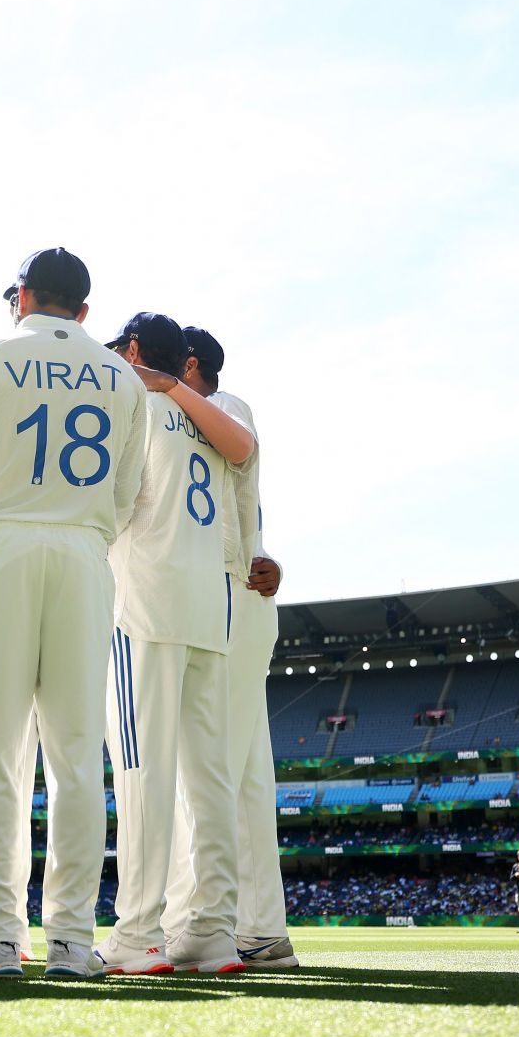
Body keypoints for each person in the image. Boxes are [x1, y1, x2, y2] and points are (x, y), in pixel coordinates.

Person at [0, 247, 148, 979]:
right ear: (85, 311)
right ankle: (75, 944)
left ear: (22, 296)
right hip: (83, 553)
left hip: (6, 545)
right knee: (78, 757)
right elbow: (127, 492)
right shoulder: (120, 375)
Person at [96, 312, 253, 975]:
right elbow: (243, 450)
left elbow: (111, 503)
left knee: (142, 775)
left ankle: (137, 934)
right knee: (208, 778)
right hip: (206, 608)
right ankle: (212, 933)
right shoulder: (205, 415)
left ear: (135, 353)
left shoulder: (134, 404)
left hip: (146, 607)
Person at [161, 327, 297, 969]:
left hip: (233, 599)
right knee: (242, 773)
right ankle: (261, 926)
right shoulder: (194, 416)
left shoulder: (223, 407)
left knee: (210, 766)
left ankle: (200, 921)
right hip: (235, 594)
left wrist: (260, 556)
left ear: (191, 366)